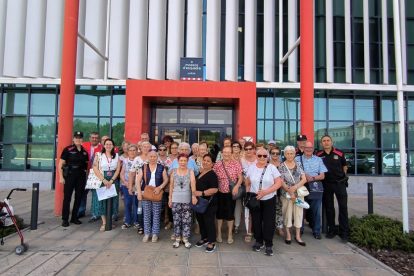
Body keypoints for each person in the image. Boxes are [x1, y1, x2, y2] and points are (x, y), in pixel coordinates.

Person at [245, 148, 282, 256]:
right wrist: (247, 188)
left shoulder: (272, 168)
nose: (262, 158)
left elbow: (278, 183)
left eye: (264, 156)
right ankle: (259, 241)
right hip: (255, 198)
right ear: (256, 156)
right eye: (259, 156)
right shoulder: (252, 168)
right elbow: (247, 181)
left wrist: (266, 192)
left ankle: (269, 243)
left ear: (268, 157)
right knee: (256, 221)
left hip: (269, 198)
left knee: (269, 222)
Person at [316, 135, 349, 242]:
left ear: (332, 142)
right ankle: (332, 230)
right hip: (326, 184)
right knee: (329, 209)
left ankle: (344, 233)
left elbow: (344, 166)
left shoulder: (339, 153)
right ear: (321, 144)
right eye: (324, 141)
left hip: (340, 184)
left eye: (328, 141)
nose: (326, 142)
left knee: (343, 208)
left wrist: (342, 177)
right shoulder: (318, 155)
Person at [295, 141, 327, 240]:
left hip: (314, 187)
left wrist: (312, 178)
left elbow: (322, 175)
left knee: (316, 210)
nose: (309, 149)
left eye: (311, 148)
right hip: (301, 186)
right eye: (307, 147)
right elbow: (294, 173)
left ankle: (316, 230)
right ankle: (299, 230)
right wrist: (304, 176)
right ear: (303, 148)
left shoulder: (318, 160)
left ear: (313, 149)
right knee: (300, 209)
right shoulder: (297, 159)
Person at [213, 146, 243, 244]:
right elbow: (213, 177)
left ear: (231, 153)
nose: (226, 154)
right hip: (219, 192)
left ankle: (230, 234)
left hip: (231, 192)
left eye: (228, 152)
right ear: (222, 153)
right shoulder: (217, 164)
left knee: (230, 213)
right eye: (225, 152)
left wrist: (237, 186)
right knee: (219, 213)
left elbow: (240, 177)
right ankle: (219, 234)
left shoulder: (236, 164)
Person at [136, 151, 169, 242]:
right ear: (148, 157)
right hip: (146, 193)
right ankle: (147, 234)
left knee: (156, 214)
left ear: (157, 157)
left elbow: (166, 180)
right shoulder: (144, 167)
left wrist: (160, 187)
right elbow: (138, 181)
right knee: (146, 214)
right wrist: (139, 193)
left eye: (154, 156)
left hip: (157, 193)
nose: (153, 158)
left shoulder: (161, 168)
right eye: (151, 156)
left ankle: (155, 234)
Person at [58, 131, 89, 227]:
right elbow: (60, 164)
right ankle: (65, 219)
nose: (78, 140)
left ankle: (74, 217)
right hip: (70, 175)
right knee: (67, 198)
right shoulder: (68, 150)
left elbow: (86, 167)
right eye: (76, 138)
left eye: (80, 138)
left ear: (82, 139)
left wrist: (86, 178)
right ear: (73, 139)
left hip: (81, 176)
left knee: (78, 197)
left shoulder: (84, 151)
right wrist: (61, 177)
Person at [278, 145, 307, 246]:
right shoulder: (281, 165)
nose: (289, 155)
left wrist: (295, 187)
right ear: (284, 154)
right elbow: (280, 181)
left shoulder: (299, 164)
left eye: (291, 153)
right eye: (287, 153)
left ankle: (298, 236)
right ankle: (288, 235)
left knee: (298, 214)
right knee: (287, 214)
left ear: (294, 154)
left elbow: (304, 178)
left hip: (298, 194)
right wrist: (290, 192)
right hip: (286, 195)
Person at [91, 138, 121, 232]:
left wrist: (112, 180)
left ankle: (110, 221)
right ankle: (104, 222)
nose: (108, 146)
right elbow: (95, 168)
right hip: (102, 178)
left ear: (113, 146)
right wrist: (103, 180)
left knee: (112, 200)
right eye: (106, 144)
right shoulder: (98, 155)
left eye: (110, 144)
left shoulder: (116, 156)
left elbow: (118, 169)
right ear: (104, 145)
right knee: (102, 200)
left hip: (113, 179)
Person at [169, 153, 197, 248]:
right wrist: (170, 198)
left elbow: (193, 185)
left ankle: (185, 238)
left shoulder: (191, 171)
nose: (183, 162)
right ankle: (177, 237)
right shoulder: (174, 171)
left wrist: (193, 197)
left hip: (186, 198)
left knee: (186, 219)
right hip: (175, 198)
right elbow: (171, 185)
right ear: (178, 161)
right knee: (176, 219)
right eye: (181, 160)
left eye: (185, 160)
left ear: (187, 161)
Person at [194, 153, 219, 253]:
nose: (206, 162)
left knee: (209, 222)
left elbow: (215, 189)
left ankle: (212, 241)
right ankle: (204, 238)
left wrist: (202, 193)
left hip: (209, 202)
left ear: (213, 164)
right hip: (199, 202)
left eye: (208, 161)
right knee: (201, 220)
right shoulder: (200, 173)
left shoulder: (212, 174)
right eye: (204, 160)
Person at [79, 132, 101, 221]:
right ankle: (81, 210)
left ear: (98, 139)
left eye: (96, 138)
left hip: (96, 174)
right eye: (92, 137)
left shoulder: (101, 148)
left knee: (96, 194)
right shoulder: (83, 145)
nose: (94, 139)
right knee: (82, 193)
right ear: (90, 138)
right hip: (84, 173)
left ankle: (96, 212)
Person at [119, 144, 141, 230]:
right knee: (127, 203)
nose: (132, 152)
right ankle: (128, 221)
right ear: (128, 151)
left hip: (136, 185)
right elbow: (121, 173)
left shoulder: (138, 160)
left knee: (135, 203)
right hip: (126, 185)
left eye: (134, 150)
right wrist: (125, 181)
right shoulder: (125, 161)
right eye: (130, 150)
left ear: (137, 151)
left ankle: (136, 221)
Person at [241, 141, 257, 241]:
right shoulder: (241, 160)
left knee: (257, 209)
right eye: (246, 149)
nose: (248, 151)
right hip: (246, 188)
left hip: (257, 187)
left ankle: (257, 229)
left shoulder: (259, 159)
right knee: (247, 210)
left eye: (250, 149)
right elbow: (239, 174)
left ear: (254, 150)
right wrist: (244, 180)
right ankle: (249, 231)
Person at [269, 146, 285, 237]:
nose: (275, 155)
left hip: (280, 189)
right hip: (268, 190)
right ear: (270, 154)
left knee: (279, 209)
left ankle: (279, 227)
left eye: (277, 153)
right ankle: (269, 225)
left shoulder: (283, 164)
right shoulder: (266, 163)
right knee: (269, 209)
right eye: (273, 153)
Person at [231, 141, 243, 234]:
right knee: (230, 205)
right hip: (229, 184)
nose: (236, 148)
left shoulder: (243, 158)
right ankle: (230, 223)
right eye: (234, 146)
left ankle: (237, 225)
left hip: (241, 184)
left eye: (237, 146)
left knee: (238, 205)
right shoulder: (228, 157)